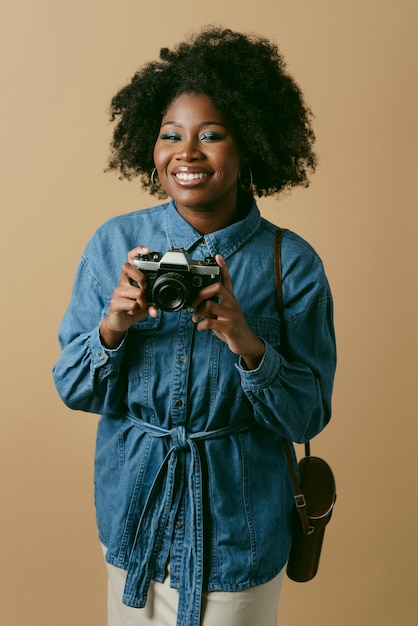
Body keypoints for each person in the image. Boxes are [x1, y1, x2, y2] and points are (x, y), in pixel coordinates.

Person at [52, 25, 336, 626]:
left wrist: (246, 340)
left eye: (212, 135)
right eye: (170, 136)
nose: (187, 152)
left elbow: (308, 416)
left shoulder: (292, 263)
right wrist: (112, 328)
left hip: (241, 528)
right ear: (149, 148)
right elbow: (73, 388)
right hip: (135, 522)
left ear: (249, 144)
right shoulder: (117, 246)